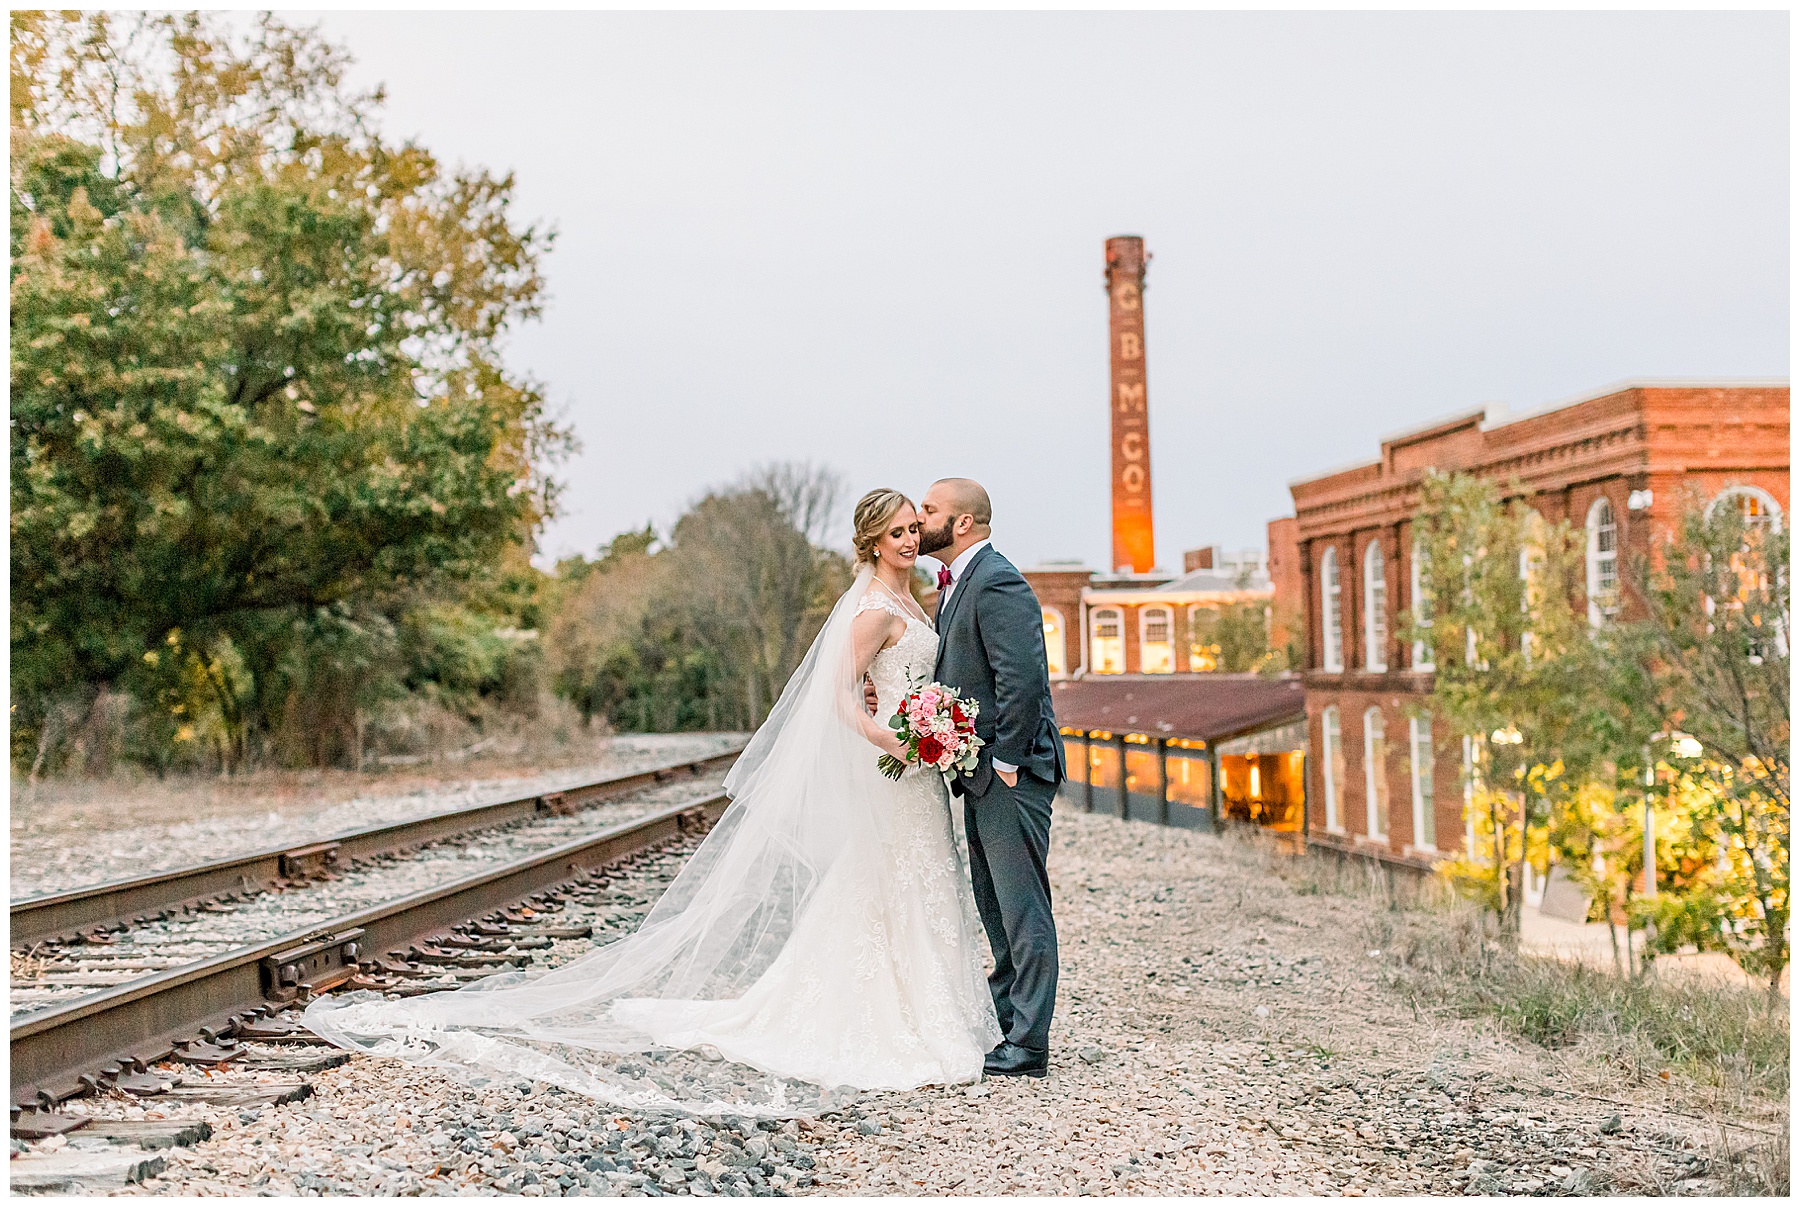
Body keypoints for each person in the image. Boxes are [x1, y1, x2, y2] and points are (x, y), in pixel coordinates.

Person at [303, 489, 1000, 1115]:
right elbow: (837, 695)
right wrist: (890, 733)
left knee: (917, 880)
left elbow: (911, 677)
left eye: (915, 528)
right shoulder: (872, 610)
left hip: (919, 770)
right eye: (899, 532)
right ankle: (890, 1017)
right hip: (893, 765)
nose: (911, 539)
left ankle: (934, 1009)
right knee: (885, 882)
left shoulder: (918, 601)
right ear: (874, 541)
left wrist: (931, 725)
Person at [916, 477, 1064, 1079]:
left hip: (1010, 774)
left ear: (964, 524)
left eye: (929, 510)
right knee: (994, 904)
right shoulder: (954, 586)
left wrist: (1004, 760)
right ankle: (1009, 1025)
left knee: (1022, 906)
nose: (919, 518)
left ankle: (1029, 1042)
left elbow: (1022, 678)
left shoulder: (997, 580)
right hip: (976, 773)